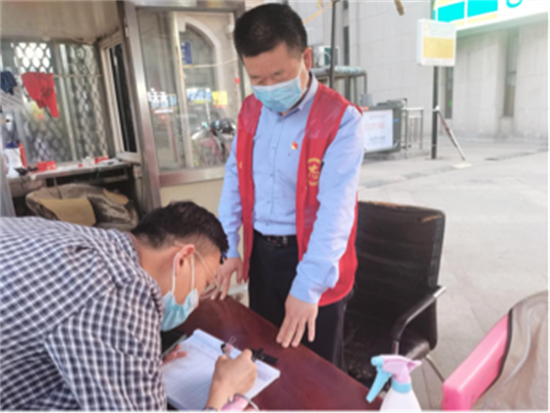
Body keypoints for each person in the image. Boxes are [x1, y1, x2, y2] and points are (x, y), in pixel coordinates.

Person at [216, 4, 365, 367]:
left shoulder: (341, 119)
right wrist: (227, 245)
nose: (268, 88)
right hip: (262, 256)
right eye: (257, 78)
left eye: (278, 75)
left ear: (306, 58)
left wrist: (307, 287)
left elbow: (336, 212)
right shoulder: (251, 110)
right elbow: (236, 177)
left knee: (316, 370)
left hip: (311, 258)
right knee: (263, 356)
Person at [0, 202, 257, 410]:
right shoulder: (121, 287)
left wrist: (130, 367)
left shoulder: (96, 242)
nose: (197, 299)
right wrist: (223, 389)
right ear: (182, 259)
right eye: (204, 284)